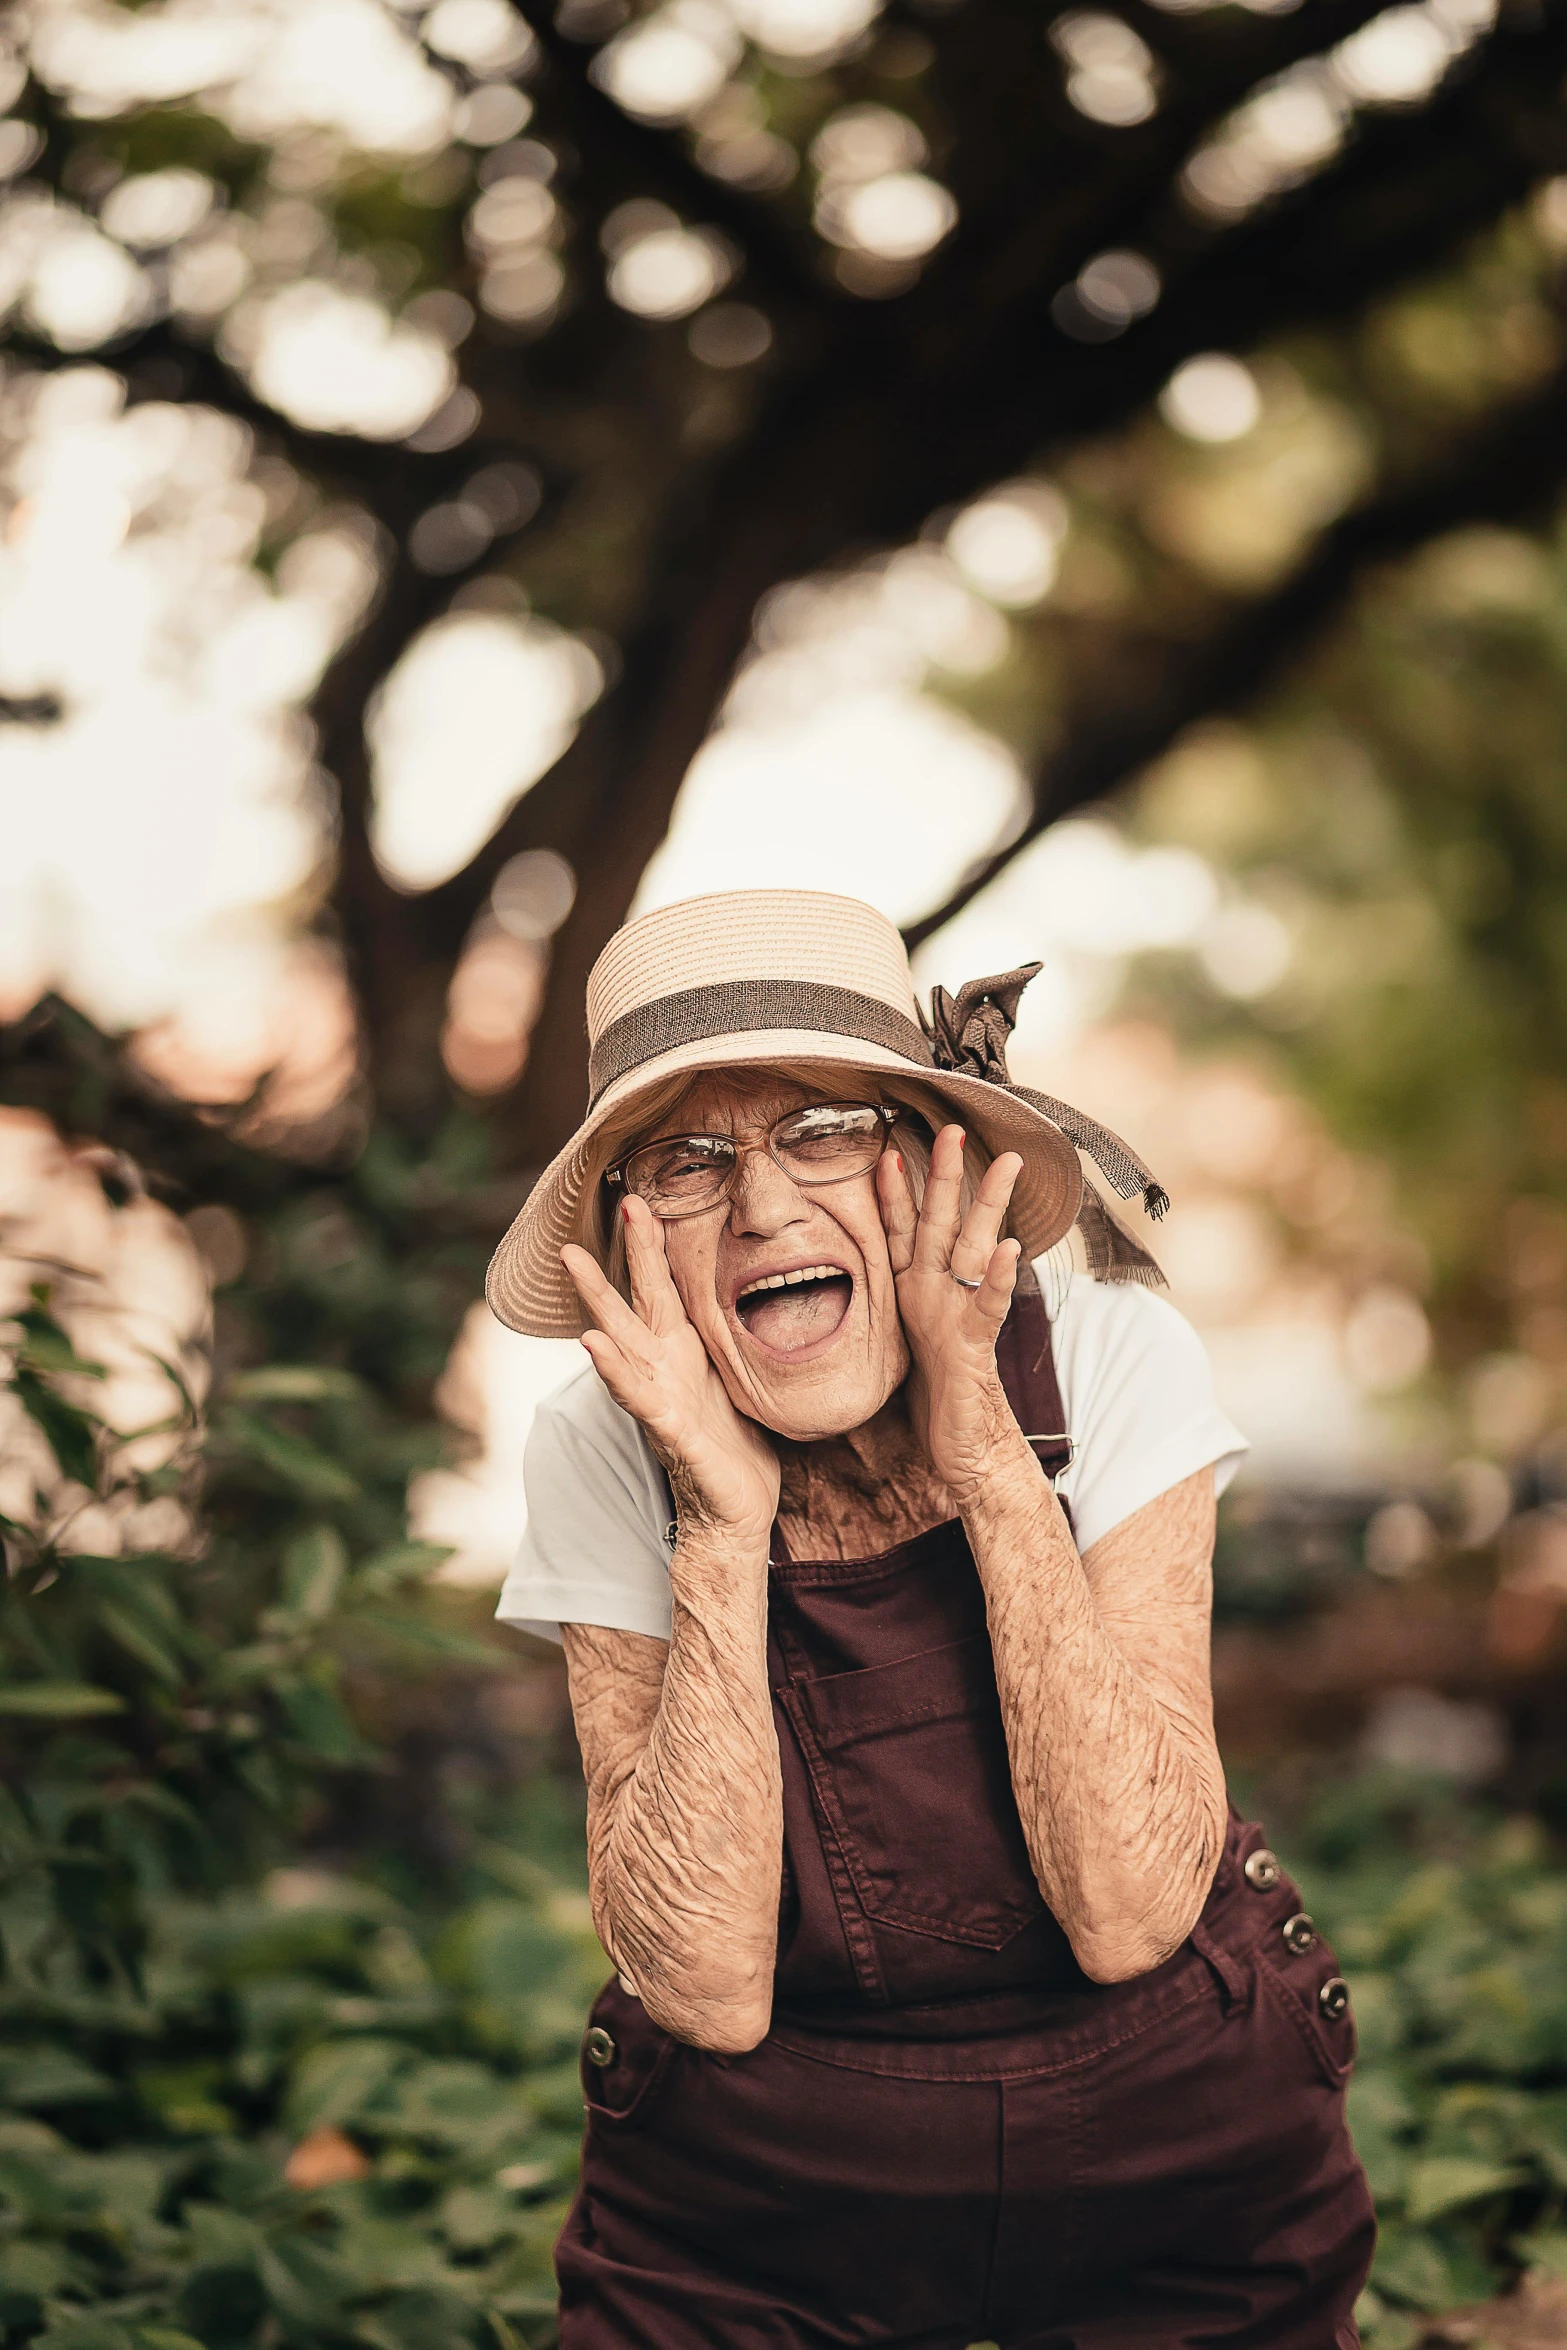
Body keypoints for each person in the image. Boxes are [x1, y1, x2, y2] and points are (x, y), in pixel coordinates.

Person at [488, 888, 1374, 2348]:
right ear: (634, 1231)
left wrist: (983, 1454)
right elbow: (699, 1983)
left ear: (928, 1158)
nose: (764, 1205)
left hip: (1175, 2153)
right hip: (767, 2193)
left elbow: (1130, 1904)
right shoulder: (600, 1440)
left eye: (820, 1129)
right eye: (689, 1160)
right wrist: (719, 1517)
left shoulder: (1104, 1351)